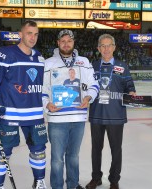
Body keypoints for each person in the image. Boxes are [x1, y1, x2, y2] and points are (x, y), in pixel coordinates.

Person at [0, 20, 48, 189]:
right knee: (2, 153)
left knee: (39, 150)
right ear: (20, 34)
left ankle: (39, 181)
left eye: (36, 34)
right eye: (29, 33)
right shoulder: (5, 53)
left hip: (34, 114)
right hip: (9, 113)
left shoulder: (39, 57)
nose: (33, 37)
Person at [42, 29, 99, 189]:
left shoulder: (84, 62)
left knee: (73, 156)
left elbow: (94, 84)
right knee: (57, 159)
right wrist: (47, 103)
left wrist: (88, 97)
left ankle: (73, 185)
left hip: (78, 118)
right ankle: (57, 187)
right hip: (57, 119)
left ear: (73, 43)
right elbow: (42, 89)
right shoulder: (48, 63)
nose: (66, 44)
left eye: (69, 41)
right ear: (58, 43)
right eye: (63, 41)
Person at [86, 34, 136, 189]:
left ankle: (114, 180)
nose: (106, 49)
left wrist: (132, 93)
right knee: (96, 149)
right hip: (96, 115)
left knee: (116, 149)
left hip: (116, 115)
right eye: (103, 45)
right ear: (98, 48)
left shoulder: (122, 66)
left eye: (109, 45)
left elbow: (130, 87)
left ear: (114, 47)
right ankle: (96, 178)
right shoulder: (91, 66)